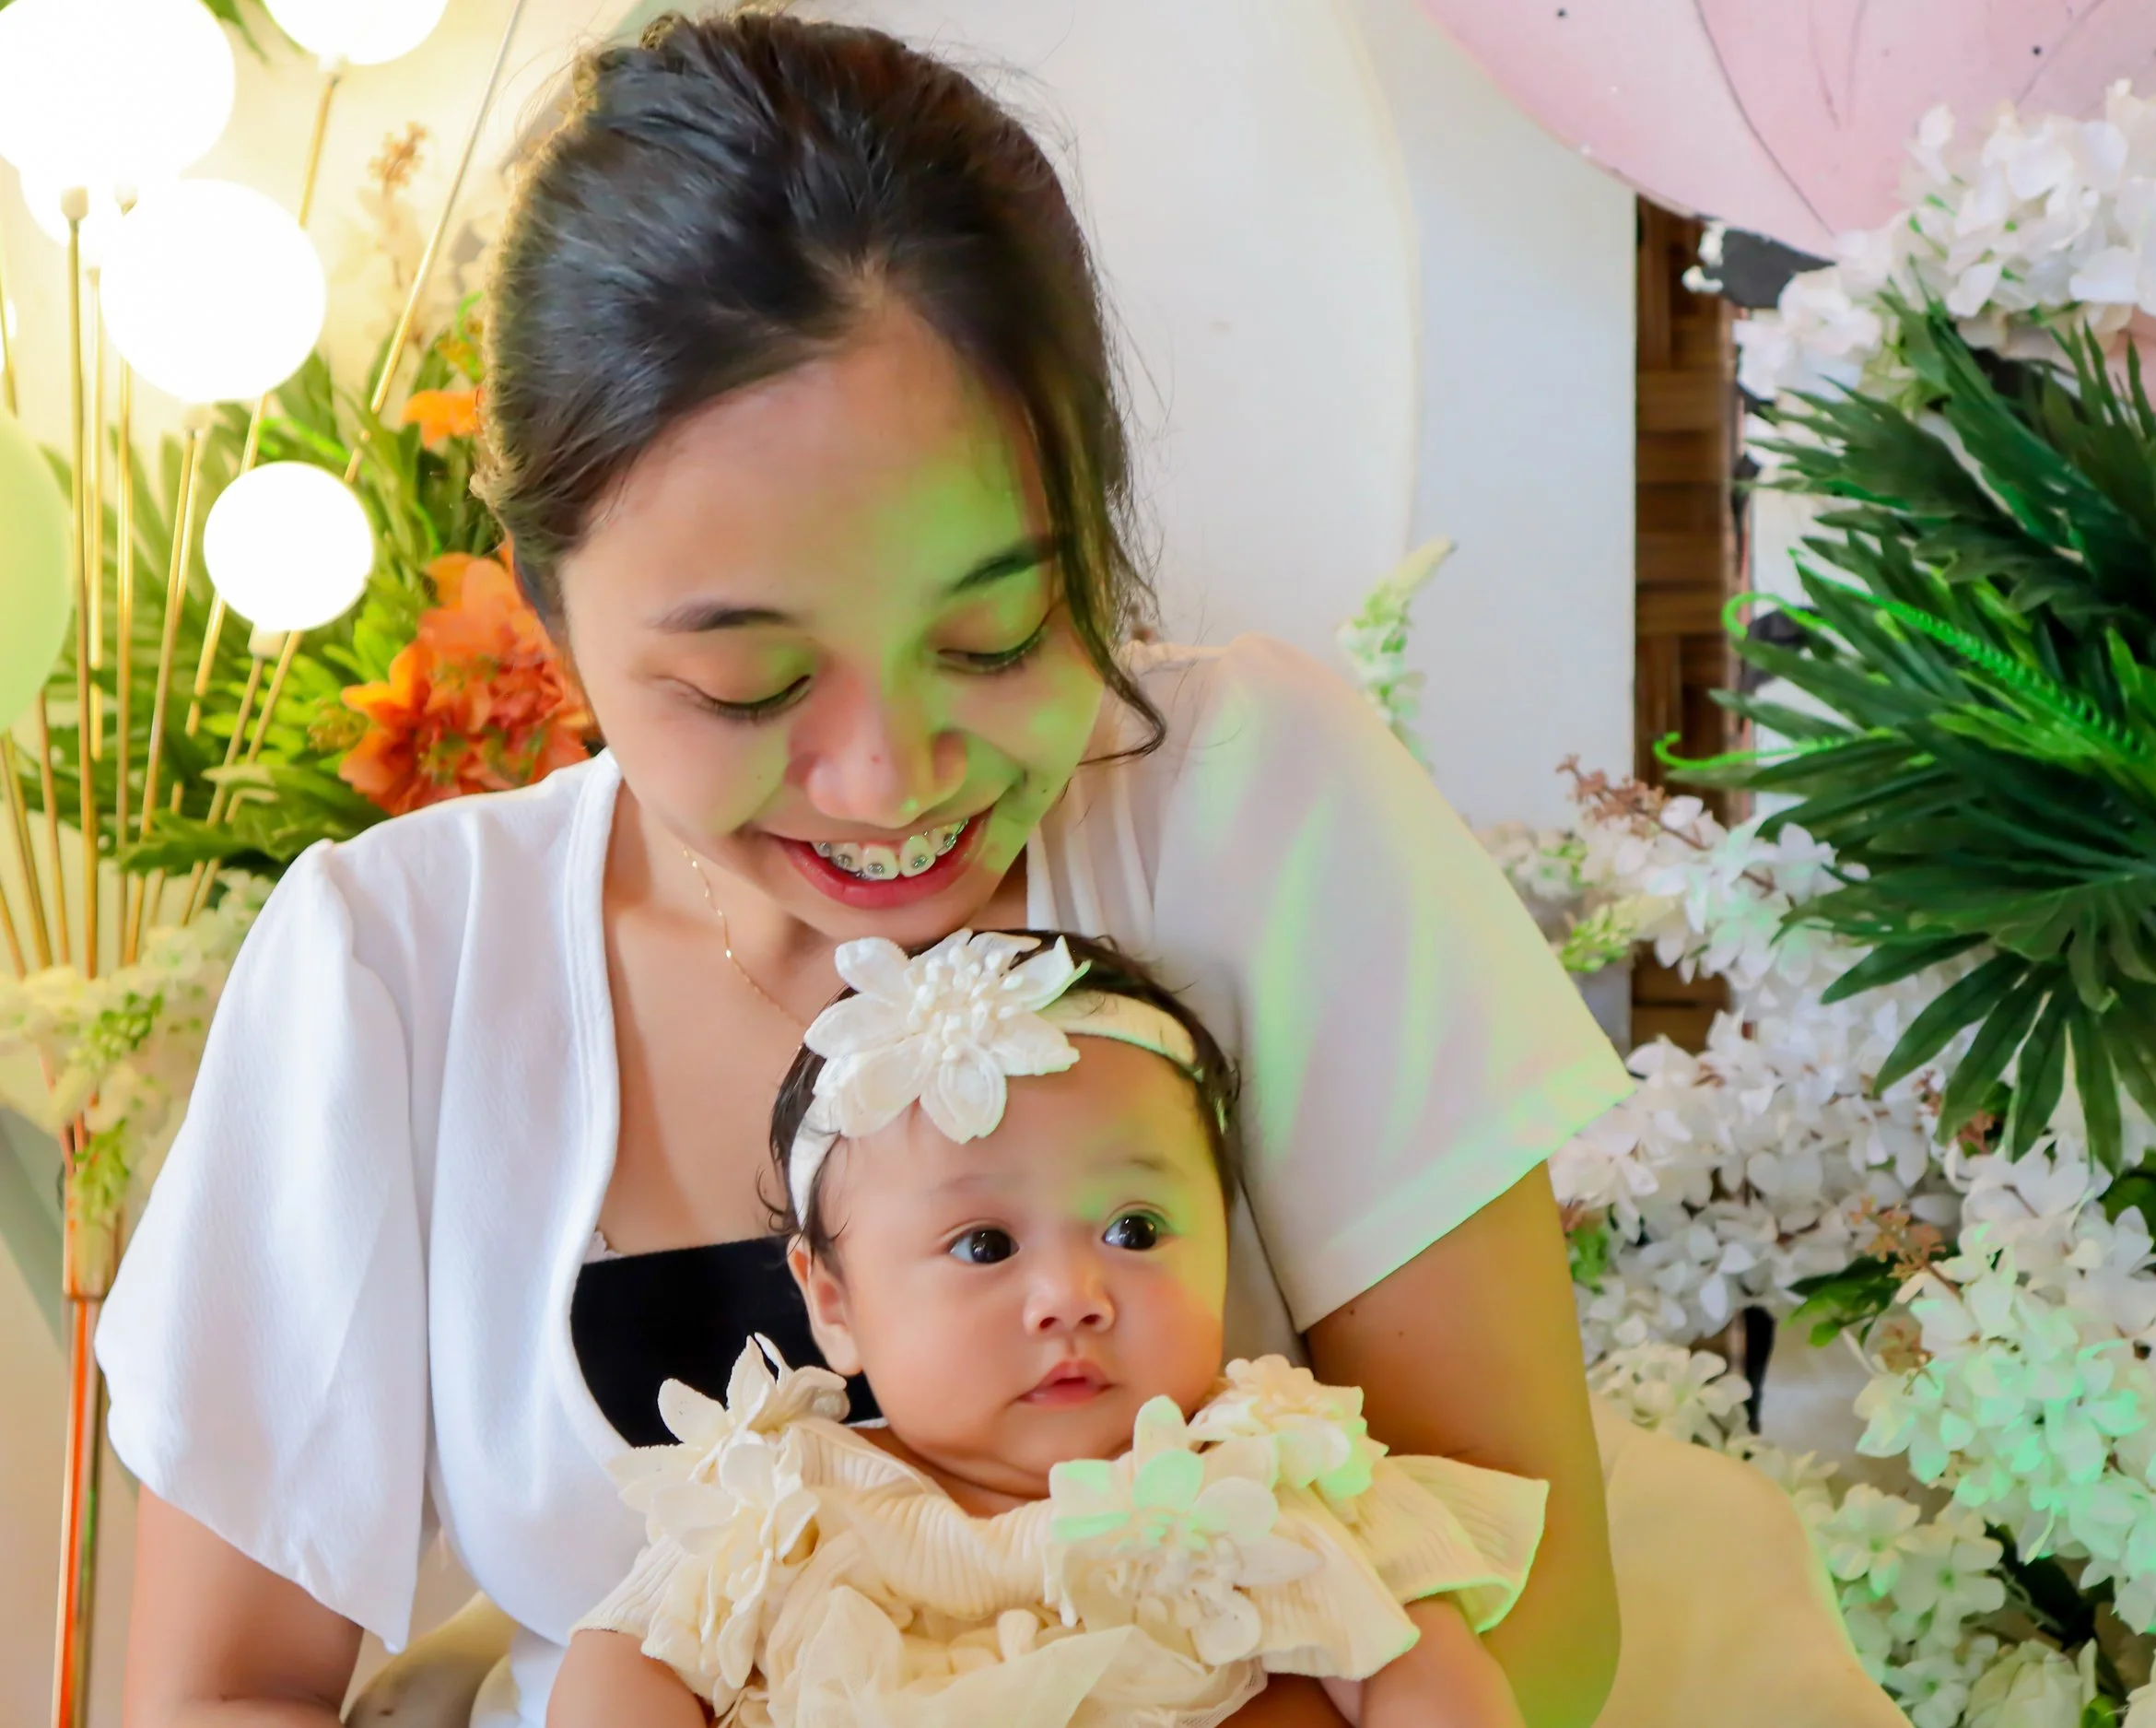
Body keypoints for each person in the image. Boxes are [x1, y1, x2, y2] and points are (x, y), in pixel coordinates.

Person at [101, 11, 1634, 1727]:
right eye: (749, 684)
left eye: (993, 637)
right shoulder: (394, 971)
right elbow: (224, 1693)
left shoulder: (1252, 805)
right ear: (545, 601)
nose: (888, 782)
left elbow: (1537, 1607)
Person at [551, 929, 1546, 1728]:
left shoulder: (1267, 1479)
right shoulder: (787, 1504)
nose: (1071, 1294)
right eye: (985, 1245)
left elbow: (1421, 1674)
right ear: (835, 1305)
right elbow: (622, 1662)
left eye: (1135, 1230)